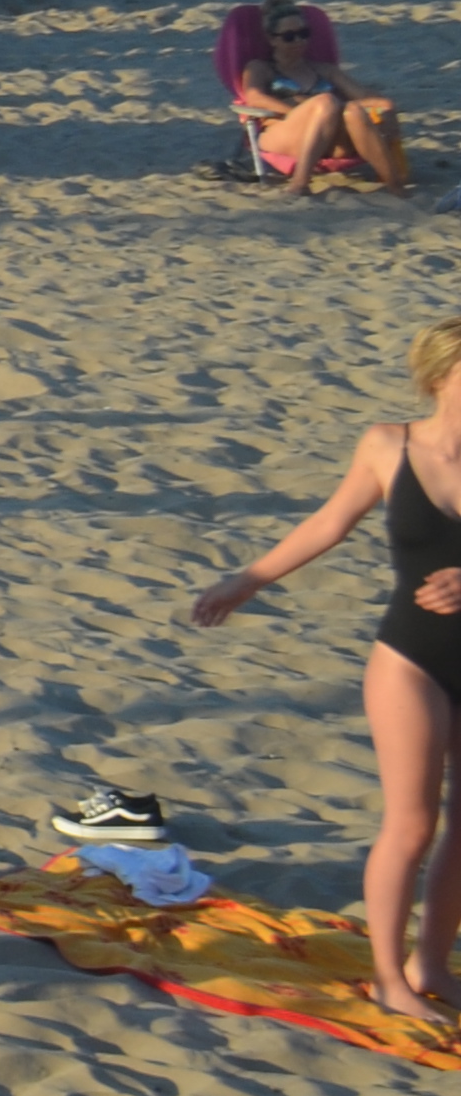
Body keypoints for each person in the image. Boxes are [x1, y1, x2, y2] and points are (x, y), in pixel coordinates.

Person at [189, 319, 461, 1023]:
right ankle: (386, 980)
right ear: (441, 376)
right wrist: (245, 581)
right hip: (412, 661)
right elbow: (328, 523)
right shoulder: (388, 444)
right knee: (411, 824)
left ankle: (430, 962)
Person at [235, 0, 412, 193]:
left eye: (304, 34)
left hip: (329, 138)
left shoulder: (324, 70)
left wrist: (385, 105)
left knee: (353, 110)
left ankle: (394, 184)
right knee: (326, 101)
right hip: (281, 133)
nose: (299, 41)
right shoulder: (261, 68)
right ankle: (300, 183)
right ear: (272, 39)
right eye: (289, 36)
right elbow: (254, 97)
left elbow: (362, 95)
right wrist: (301, 112)